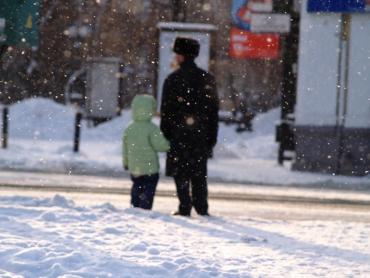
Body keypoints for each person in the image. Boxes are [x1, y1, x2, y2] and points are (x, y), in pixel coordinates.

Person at [160, 37, 219, 217]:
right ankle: (202, 207)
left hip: (179, 135)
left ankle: (184, 205)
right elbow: (213, 112)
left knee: (181, 173)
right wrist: (211, 137)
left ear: (181, 56)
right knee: (199, 173)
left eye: (177, 53)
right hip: (200, 136)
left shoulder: (172, 79)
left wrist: (168, 132)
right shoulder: (207, 79)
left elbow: (166, 111)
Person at [123, 94, 170, 210]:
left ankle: (135, 206)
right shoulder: (152, 128)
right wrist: (168, 146)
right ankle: (145, 208)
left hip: (135, 167)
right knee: (148, 189)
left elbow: (125, 148)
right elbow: (160, 146)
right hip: (150, 168)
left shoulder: (129, 128)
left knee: (136, 186)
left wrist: (126, 162)